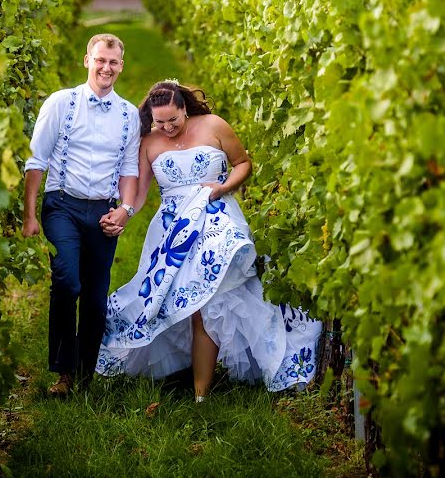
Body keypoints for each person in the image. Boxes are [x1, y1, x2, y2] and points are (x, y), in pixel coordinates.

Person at [96, 80, 322, 401]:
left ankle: (201, 393)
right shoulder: (149, 141)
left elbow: (243, 163)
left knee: (207, 302)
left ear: (184, 109)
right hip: (172, 231)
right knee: (178, 303)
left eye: (173, 120)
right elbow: (140, 193)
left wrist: (222, 187)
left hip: (216, 218)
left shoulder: (214, 125)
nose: (167, 127)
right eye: (160, 122)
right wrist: (123, 212)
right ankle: (191, 375)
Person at [23, 33, 140, 397]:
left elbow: (129, 168)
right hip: (63, 205)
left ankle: (85, 376)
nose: (107, 68)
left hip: (103, 211)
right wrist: (30, 214)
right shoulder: (61, 103)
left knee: (94, 297)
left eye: (114, 62)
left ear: (121, 65)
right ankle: (63, 372)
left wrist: (124, 210)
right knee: (67, 282)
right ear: (86, 60)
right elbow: (36, 159)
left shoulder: (129, 114)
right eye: (100, 60)